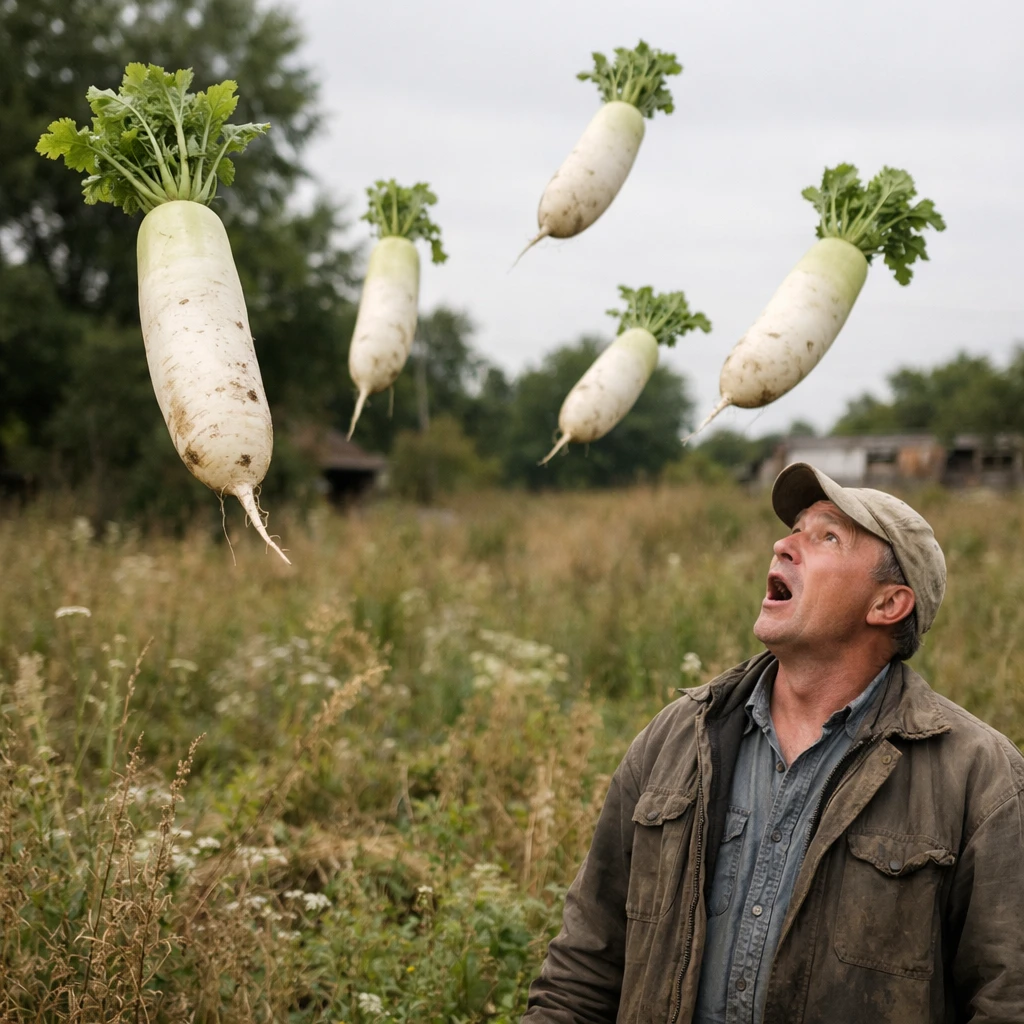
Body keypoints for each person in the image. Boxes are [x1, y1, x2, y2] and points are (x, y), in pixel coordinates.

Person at [522, 462, 1024, 1024]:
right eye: (794, 529)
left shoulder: (979, 776)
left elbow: (1008, 1000)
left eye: (827, 537)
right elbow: (583, 972)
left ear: (887, 605)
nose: (783, 545)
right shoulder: (677, 738)